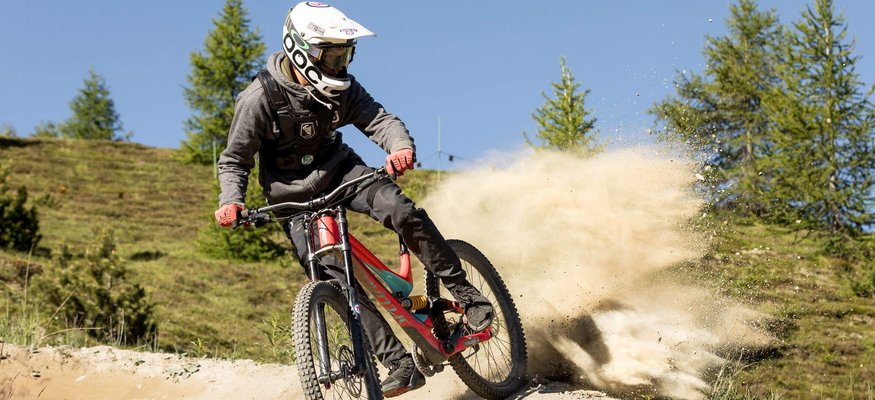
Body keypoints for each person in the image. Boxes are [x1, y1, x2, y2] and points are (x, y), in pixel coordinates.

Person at [213, 2, 493, 397]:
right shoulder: (259, 98)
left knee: (400, 209)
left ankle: (466, 294)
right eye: (331, 55)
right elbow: (234, 160)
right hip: (290, 200)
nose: (339, 63)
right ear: (300, 49)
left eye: (345, 54)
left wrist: (399, 147)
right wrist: (232, 201)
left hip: (342, 173)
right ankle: (397, 364)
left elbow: (379, 119)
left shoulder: (342, 88)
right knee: (335, 280)